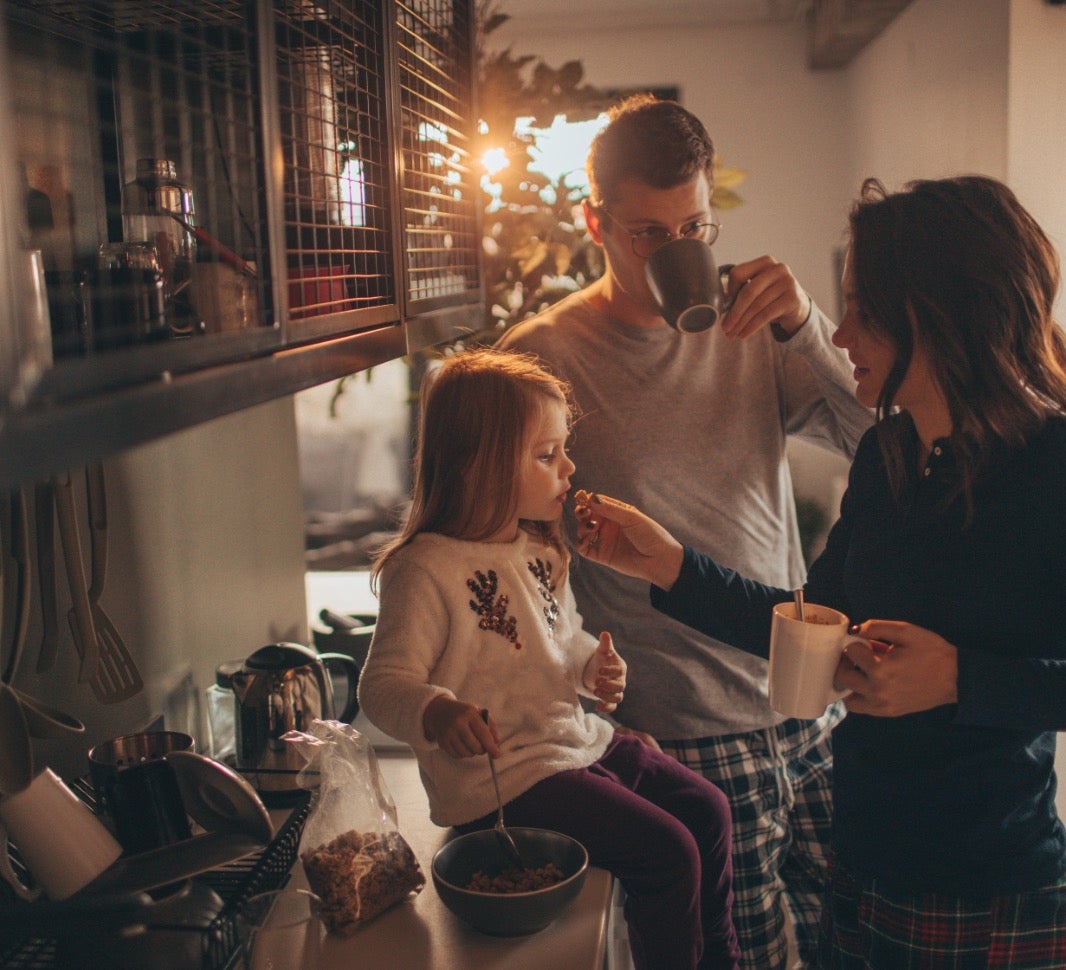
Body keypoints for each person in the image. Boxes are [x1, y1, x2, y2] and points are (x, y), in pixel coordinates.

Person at [572, 175, 1066, 968]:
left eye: (864, 312)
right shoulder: (889, 454)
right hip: (862, 865)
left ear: (937, 315)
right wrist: (668, 566)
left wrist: (960, 680)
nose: (841, 339)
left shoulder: (1051, 466)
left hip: (992, 889)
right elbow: (815, 622)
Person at [497, 93, 873, 968]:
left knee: (849, 947)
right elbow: (508, 550)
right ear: (595, 221)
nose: (679, 253)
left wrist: (808, 327)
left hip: (809, 708)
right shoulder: (544, 356)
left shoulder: (756, 331)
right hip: (683, 736)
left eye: (695, 227)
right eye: (648, 235)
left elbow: (877, 444)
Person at [357, 348, 741, 970]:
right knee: (671, 853)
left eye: (563, 448)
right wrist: (437, 713)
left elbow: (561, 642)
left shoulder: (539, 547)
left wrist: (593, 667)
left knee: (710, 810)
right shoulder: (424, 569)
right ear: (481, 465)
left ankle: (721, 960)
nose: (569, 466)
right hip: (505, 780)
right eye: (546, 454)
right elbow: (382, 685)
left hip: (574, 743)